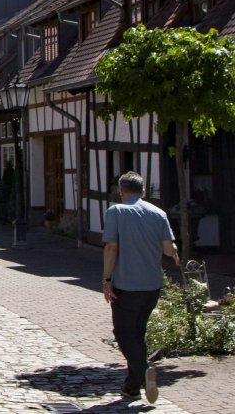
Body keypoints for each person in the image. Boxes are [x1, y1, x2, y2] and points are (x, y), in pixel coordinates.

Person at [102, 171, 179, 404]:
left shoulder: (116, 211)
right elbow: (169, 248)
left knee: (123, 334)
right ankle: (131, 387)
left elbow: (111, 248)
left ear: (120, 191)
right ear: (143, 191)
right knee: (138, 334)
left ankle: (145, 374)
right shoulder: (159, 213)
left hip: (126, 285)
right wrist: (176, 257)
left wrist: (106, 280)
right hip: (152, 285)